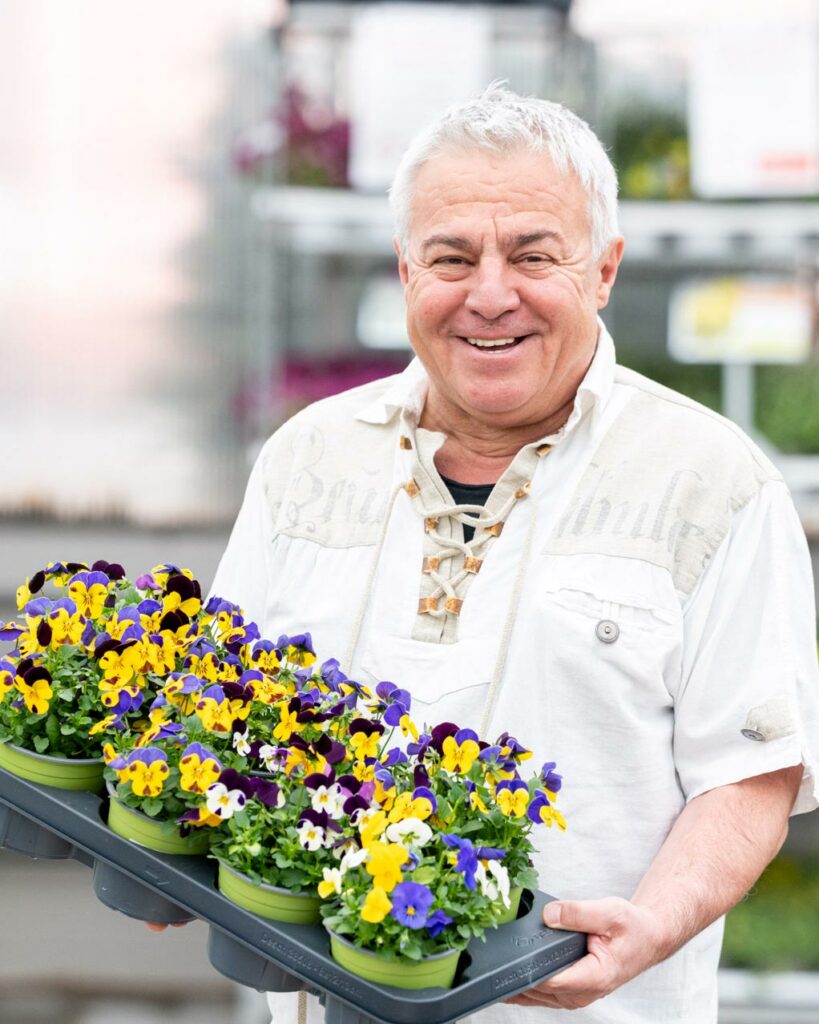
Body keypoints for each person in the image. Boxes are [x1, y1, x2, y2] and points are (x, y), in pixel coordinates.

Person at [211, 85, 819, 1023]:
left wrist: (651, 925)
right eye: (451, 257)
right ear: (406, 272)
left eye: (533, 255)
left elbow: (750, 773)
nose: (489, 295)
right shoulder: (307, 456)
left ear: (604, 268)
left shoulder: (711, 481)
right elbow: (222, 716)